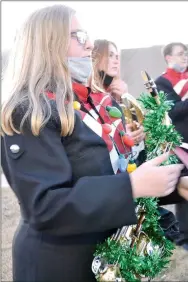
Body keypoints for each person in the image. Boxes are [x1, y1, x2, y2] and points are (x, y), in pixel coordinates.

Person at [1, 5, 184, 282]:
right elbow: (45, 206)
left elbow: (114, 172)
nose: (89, 46)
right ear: (47, 43)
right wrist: (132, 186)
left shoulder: (87, 102)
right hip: (59, 266)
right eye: (78, 36)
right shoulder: (29, 110)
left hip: (103, 257)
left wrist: (172, 182)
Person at [155, 42, 188, 250]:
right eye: (180, 53)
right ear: (168, 58)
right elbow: (170, 111)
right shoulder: (161, 82)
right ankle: (184, 236)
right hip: (180, 144)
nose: (185, 56)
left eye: (186, 53)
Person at [92, 39, 146, 162]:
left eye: (117, 56)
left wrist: (139, 131)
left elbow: (136, 122)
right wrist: (121, 135)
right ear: (95, 57)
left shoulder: (118, 90)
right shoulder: (90, 92)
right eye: (110, 55)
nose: (116, 61)